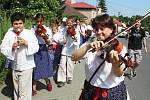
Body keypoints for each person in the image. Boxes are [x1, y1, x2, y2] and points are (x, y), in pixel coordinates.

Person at [71, 14, 128, 100]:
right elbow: (73, 57)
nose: (98, 32)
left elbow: (119, 73)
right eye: (96, 29)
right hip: (90, 89)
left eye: (102, 29)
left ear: (112, 29)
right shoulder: (92, 42)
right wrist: (88, 46)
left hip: (111, 92)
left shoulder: (120, 48)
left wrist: (115, 63)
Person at [0, 12, 39, 100]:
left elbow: (36, 47)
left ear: (23, 23)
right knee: (16, 90)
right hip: (15, 66)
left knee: (24, 92)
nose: (18, 26)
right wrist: (12, 48)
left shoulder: (29, 33)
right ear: (12, 24)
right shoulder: (9, 33)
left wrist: (26, 43)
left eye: (20, 23)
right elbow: (2, 47)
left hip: (27, 66)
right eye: (15, 24)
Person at [31, 13, 53, 96]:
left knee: (44, 67)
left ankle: (47, 81)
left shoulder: (47, 29)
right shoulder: (33, 29)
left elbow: (49, 42)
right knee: (35, 68)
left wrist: (44, 37)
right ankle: (34, 86)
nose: (39, 23)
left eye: (41, 21)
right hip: (35, 49)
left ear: (43, 21)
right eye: (38, 21)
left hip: (43, 49)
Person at [56, 16, 80, 87]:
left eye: (70, 23)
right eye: (67, 23)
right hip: (65, 50)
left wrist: (73, 37)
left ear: (73, 23)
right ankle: (61, 80)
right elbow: (60, 40)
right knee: (62, 64)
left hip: (72, 50)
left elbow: (77, 42)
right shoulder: (64, 30)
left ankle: (69, 77)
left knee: (70, 65)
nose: (68, 24)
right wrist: (64, 40)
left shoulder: (76, 31)